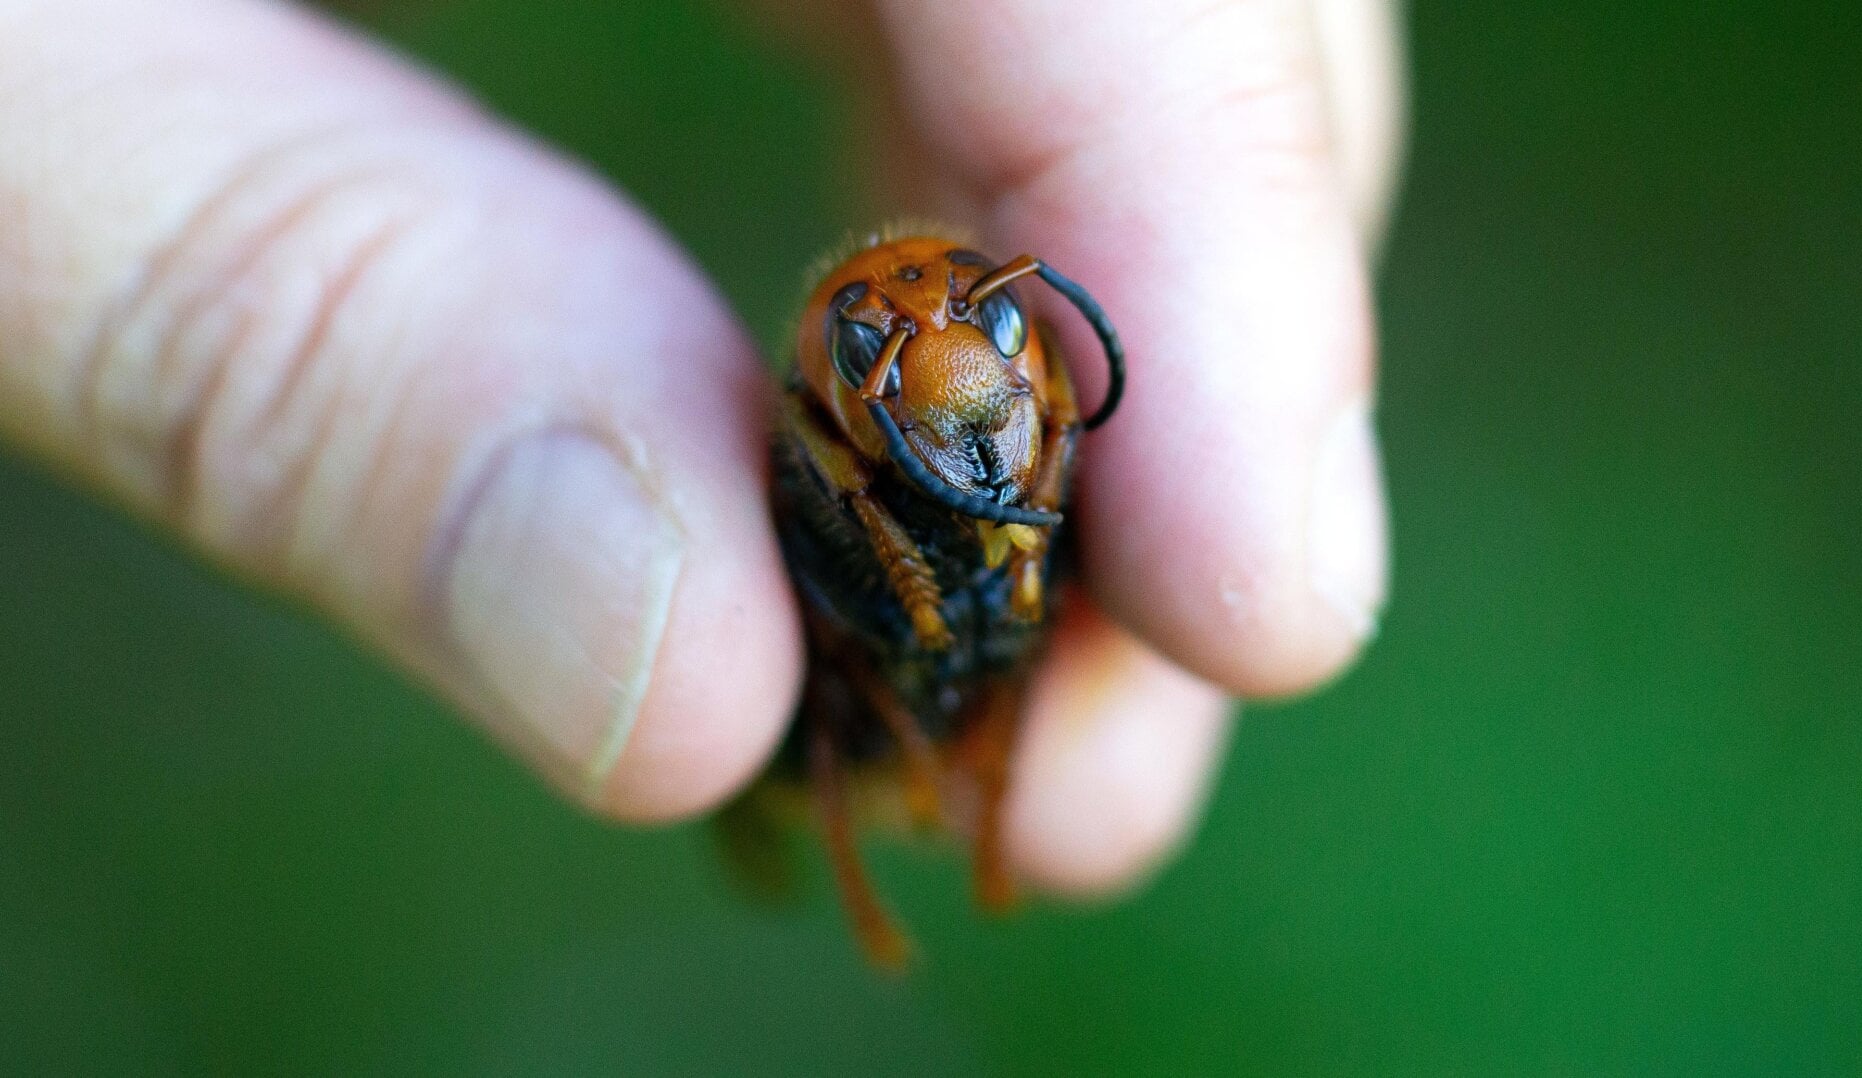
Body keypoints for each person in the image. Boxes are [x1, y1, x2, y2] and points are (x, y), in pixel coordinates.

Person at [0, 0, 1399, 894]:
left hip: (958, 670)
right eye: (879, 352)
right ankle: (840, 821)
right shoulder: (841, 461)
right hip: (846, 701)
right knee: (795, 692)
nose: (939, 344)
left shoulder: (993, 397)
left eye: (992, 336)